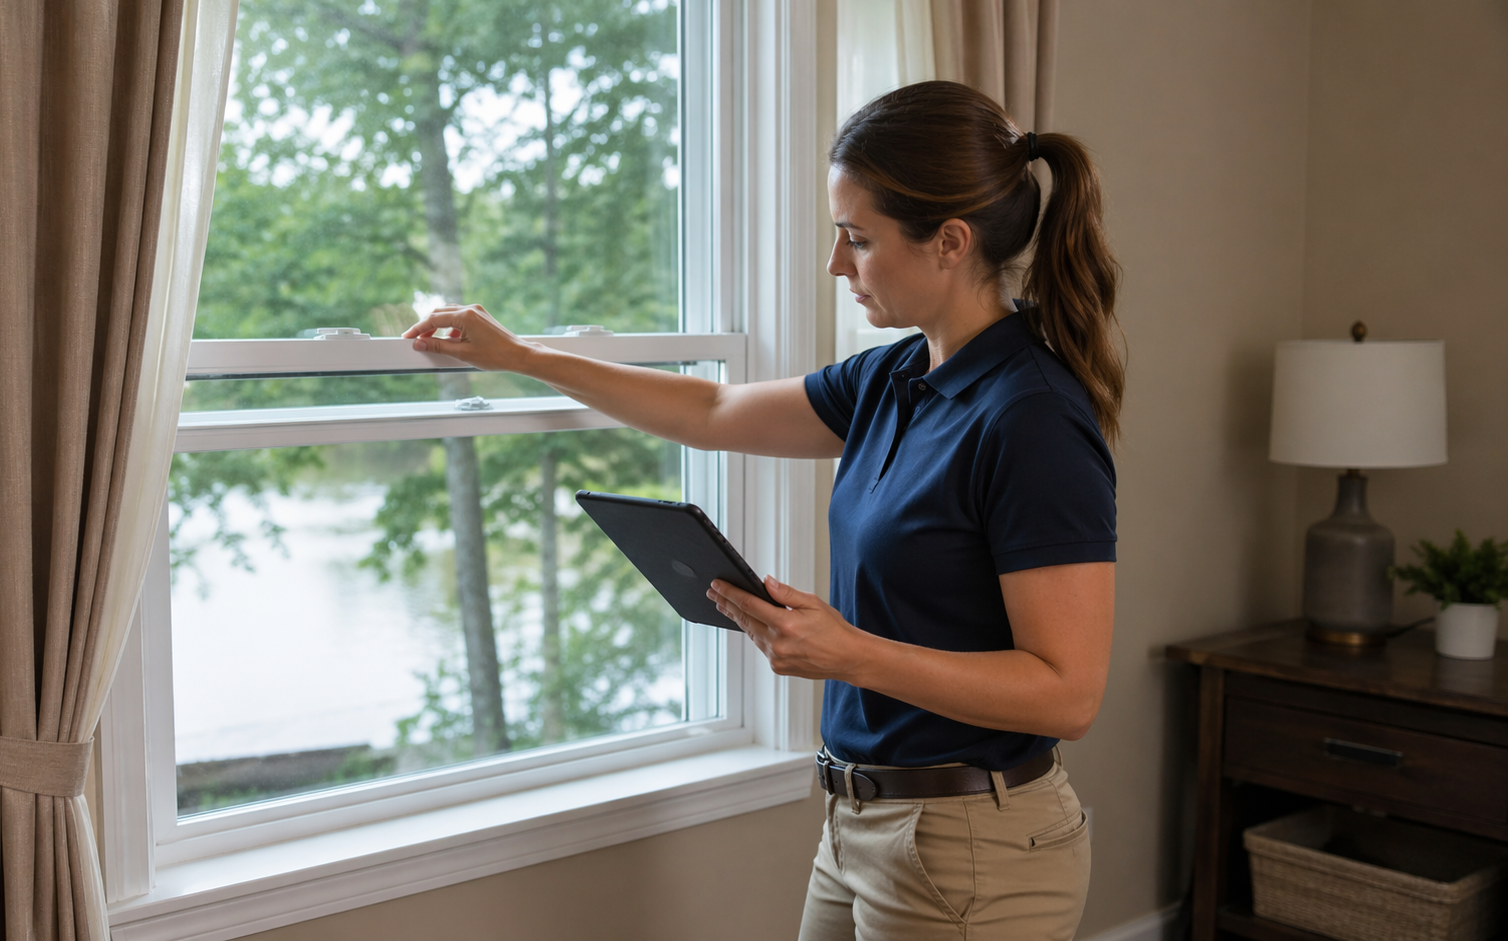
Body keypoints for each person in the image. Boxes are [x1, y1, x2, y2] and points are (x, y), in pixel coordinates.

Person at [402, 80, 1121, 941]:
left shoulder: (1030, 415)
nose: (836, 264)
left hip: (975, 845)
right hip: (859, 819)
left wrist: (847, 651)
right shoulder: (891, 379)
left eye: (858, 238)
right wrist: (525, 356)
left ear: (950, 243)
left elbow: (1068, 693)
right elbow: (710, 414)